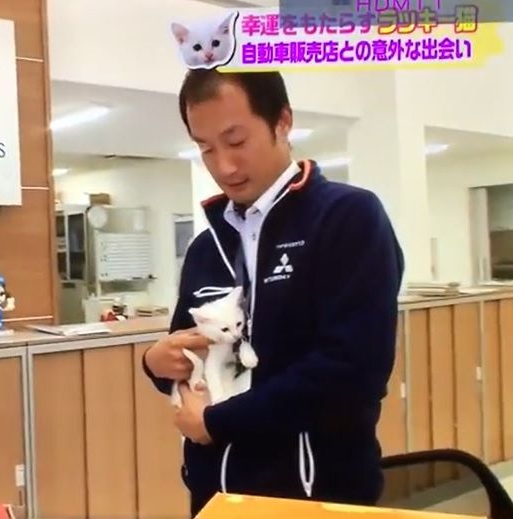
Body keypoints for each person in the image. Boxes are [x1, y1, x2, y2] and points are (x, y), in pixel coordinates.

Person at [142, 69, 405, 516]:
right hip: (214, 496)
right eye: (206, 149)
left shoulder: (347, 217)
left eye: (237, 141)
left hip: (315, 495)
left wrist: (218, 423)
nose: (224, 166)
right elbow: (189, 350)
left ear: (283, 121)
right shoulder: (208, 246)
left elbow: (352, 372)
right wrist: (155, 363)